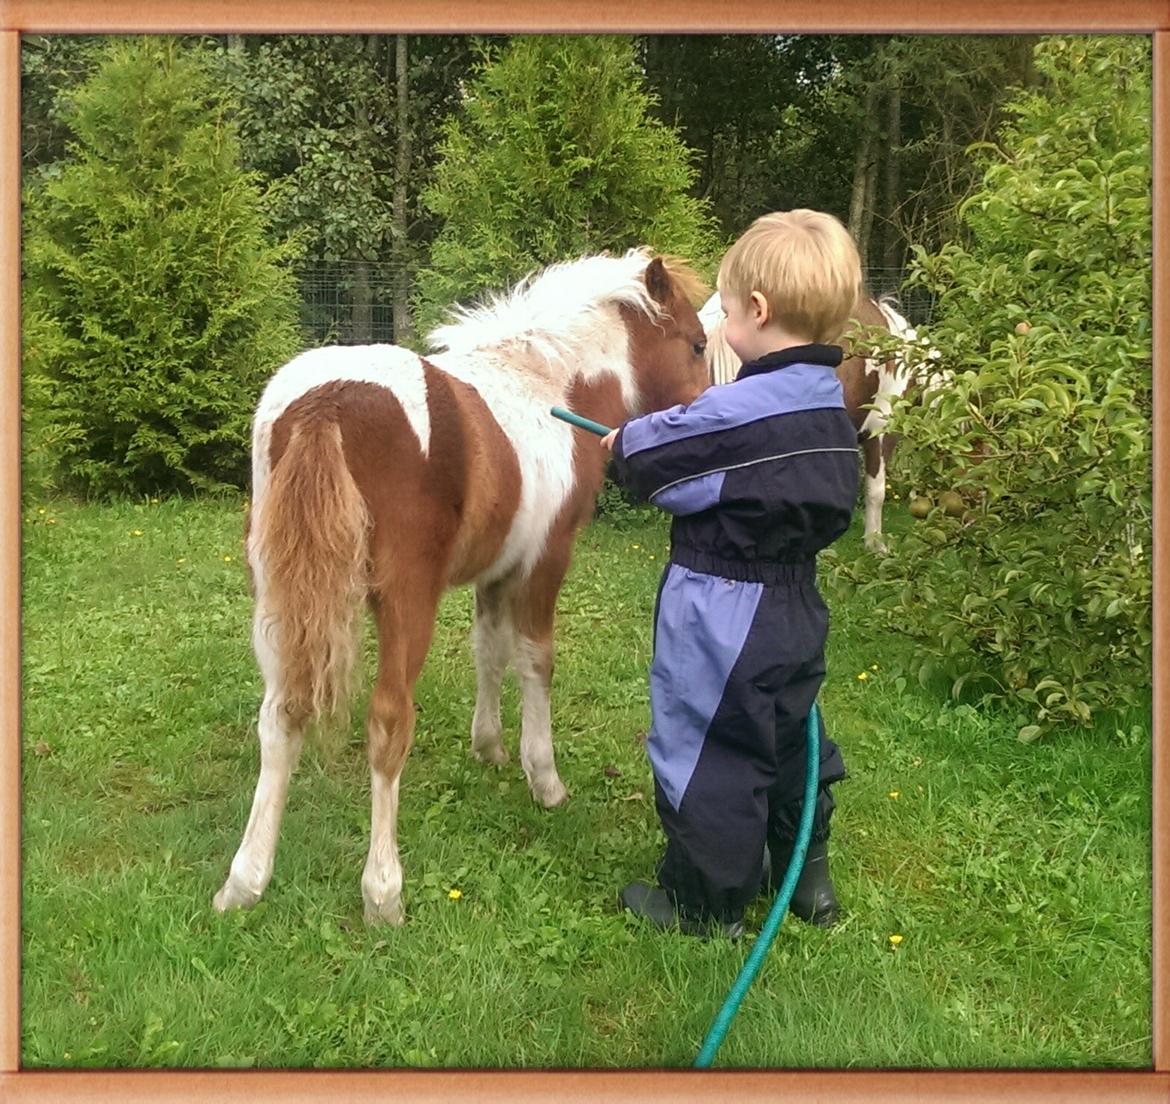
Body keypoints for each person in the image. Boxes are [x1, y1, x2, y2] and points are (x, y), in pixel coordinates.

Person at [600, 209, 862, 938]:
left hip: (722, 609)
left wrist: (623, 443)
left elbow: (652, 465)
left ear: (756, 311)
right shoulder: (828, 407)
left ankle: (704, 903)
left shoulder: (738, 411)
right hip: (795, 606)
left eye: (723, 306)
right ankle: (806, 876)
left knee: (708, 745)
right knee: (788, 731)